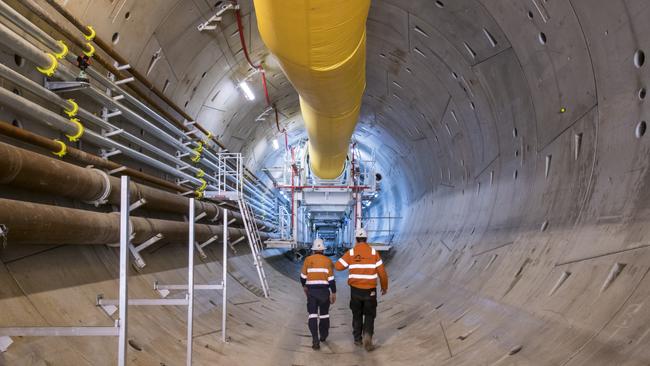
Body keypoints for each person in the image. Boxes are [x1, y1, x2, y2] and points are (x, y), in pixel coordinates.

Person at [335, 227, 388, 351]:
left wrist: (351, 263)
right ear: (366, 238)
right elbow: (382, 272)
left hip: (355, 290)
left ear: (356, 239)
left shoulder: (352, 253)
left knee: (356, 314)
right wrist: (384, 287)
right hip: (370, 290)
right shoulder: (374, 253)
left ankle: (357, 339)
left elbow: (337, 266)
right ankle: (368, 336)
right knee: (370, 314)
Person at [300, 238, 337, 350]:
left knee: (312, 315)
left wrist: (304, 286)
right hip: (324, 292)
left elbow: (302, 277)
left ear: (313, 250)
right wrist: (333, 292)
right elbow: (331, 279)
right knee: (324, 315)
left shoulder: (307, 260)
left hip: (312, 293)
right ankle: (324, 336)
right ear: (323, 250)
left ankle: (315, 340)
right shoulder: (328, 261)